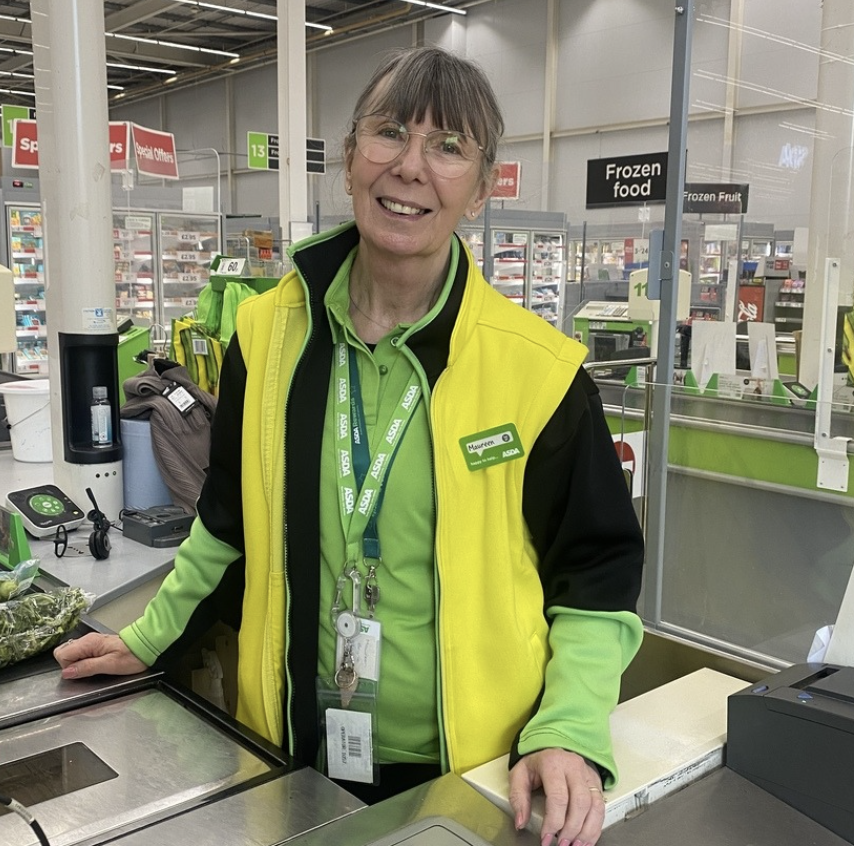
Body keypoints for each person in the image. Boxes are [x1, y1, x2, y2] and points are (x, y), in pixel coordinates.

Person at [55, 46, 644, 846]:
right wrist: (146, 637)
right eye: (389, 133)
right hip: (292, 758)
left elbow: (596, 573)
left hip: (470, 775)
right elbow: (225, 525)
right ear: (347, 158)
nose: (410, 167)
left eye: (448, 147)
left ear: (481, 187)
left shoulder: (536, 372)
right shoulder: (265, 336)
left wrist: (570, 727)